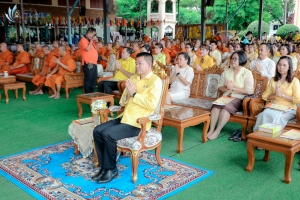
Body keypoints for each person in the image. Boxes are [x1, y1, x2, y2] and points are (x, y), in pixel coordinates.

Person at [92, 52, 162, 183]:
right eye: (136, 63)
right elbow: (123, 102)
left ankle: (111, 169)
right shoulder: (135, 78)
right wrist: (128, 94)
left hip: (137, 122)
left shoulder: (155, 81)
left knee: (108, 134)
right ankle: (104, 168)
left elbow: (152, 105)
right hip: (125, 117)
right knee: (97, 130)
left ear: (149, 64)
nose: (137, 66)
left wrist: (135, 93)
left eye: (140, 63)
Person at [207, 51, 254, 140]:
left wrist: (233, 88)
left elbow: (249, 91)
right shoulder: (226, 72)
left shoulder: (247, 73)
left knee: (225, 108)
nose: (233, 60)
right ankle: (211, 129)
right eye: (232, 58)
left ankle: (217, 131)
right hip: (226, 96)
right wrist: (228, 88)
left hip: (239, 98)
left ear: (242, 60)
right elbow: (219, 86)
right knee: (216, 106)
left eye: (235, 59)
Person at [253, 56, 300, 132]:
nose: (281, 67)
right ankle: (259, 137)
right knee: (263, 114)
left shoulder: (295, 81)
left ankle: (272, 140)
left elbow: (297, 100)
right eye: (279, 64)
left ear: (289, 67)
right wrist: (276, 95)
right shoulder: (273, 79)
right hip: (274, 106)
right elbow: (265, 96)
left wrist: (282, 95)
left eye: (284, 65)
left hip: (289, 109)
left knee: (276, 116)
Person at [79, 27, 98, 93]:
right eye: (93, 34)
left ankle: (91, 93)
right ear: (89, 33)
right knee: (89, 78)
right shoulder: (83, 40)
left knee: (93, 78)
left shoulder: (90, 41)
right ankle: (87, 94)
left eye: (94, 35)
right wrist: (92, 40)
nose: (93, 36)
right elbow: (87, 49)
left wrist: (95, 41)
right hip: (88, 62)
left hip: (94, 62)